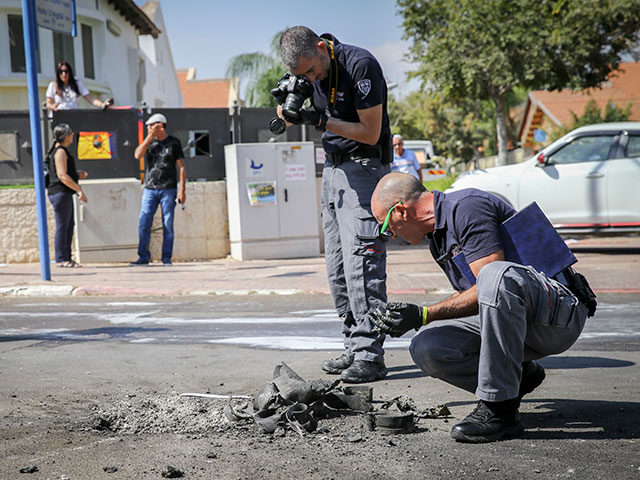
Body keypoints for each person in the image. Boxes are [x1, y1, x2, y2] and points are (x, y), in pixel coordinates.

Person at [368, 172, 596, 442]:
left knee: (492, 275)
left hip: (558, 315)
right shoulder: (438, 240)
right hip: (520, 318)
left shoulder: (466, 207)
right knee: (428, 346)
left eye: (385, 226)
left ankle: (500, 410)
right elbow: (479, 300)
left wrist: (423, 314)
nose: (391, 234)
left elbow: (492, 283)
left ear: (401, 211)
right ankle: (520, 377)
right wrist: (419, 319)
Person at [276, 26, 392, 383]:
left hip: (364, 165)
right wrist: (289, 106)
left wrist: (320, 120)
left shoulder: (360, 65)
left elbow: (371, 133)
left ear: (322, 47)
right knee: (338, 265)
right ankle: (354, 345)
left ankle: (370, 355)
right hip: (333, 168)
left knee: (362, 261)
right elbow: (298, 99)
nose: (311, 79)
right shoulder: (306, 74)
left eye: (312, 70)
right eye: (302, 76)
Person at [130, 113, 186, 266]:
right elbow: (137, 155)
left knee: (167, 223)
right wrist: (149, 138)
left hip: (169, 188)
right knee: (144, 222)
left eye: (151, 125)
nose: (148, 128)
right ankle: (143, 257)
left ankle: (166, 258)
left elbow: (181, 167)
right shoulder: (149, 143)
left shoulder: (174, 143)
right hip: (150, 189)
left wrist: (182, 190)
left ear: (160, 125)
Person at [45, 123, 88, 268]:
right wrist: (79, 190)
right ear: (64, 136)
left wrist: (77, 174)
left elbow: (64, 173)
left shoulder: (61, 151)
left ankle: (66, 258)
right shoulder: (60, 152)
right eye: (70, 133)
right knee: (63, 225)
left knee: (68, 225)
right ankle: (62, 258)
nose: (72, 135)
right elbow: (62, 176)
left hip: (63, 193)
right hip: (60, 193)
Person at [46, 62, 112, 112]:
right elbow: (48, 103)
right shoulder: (53, 85)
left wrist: (102, 105)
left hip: (74, 116)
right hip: (60, 116)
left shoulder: (77, 84)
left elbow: (91, 99)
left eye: (66, 71)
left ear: (70, 73)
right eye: (61, 72)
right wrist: (52, 106)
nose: (64, 74)